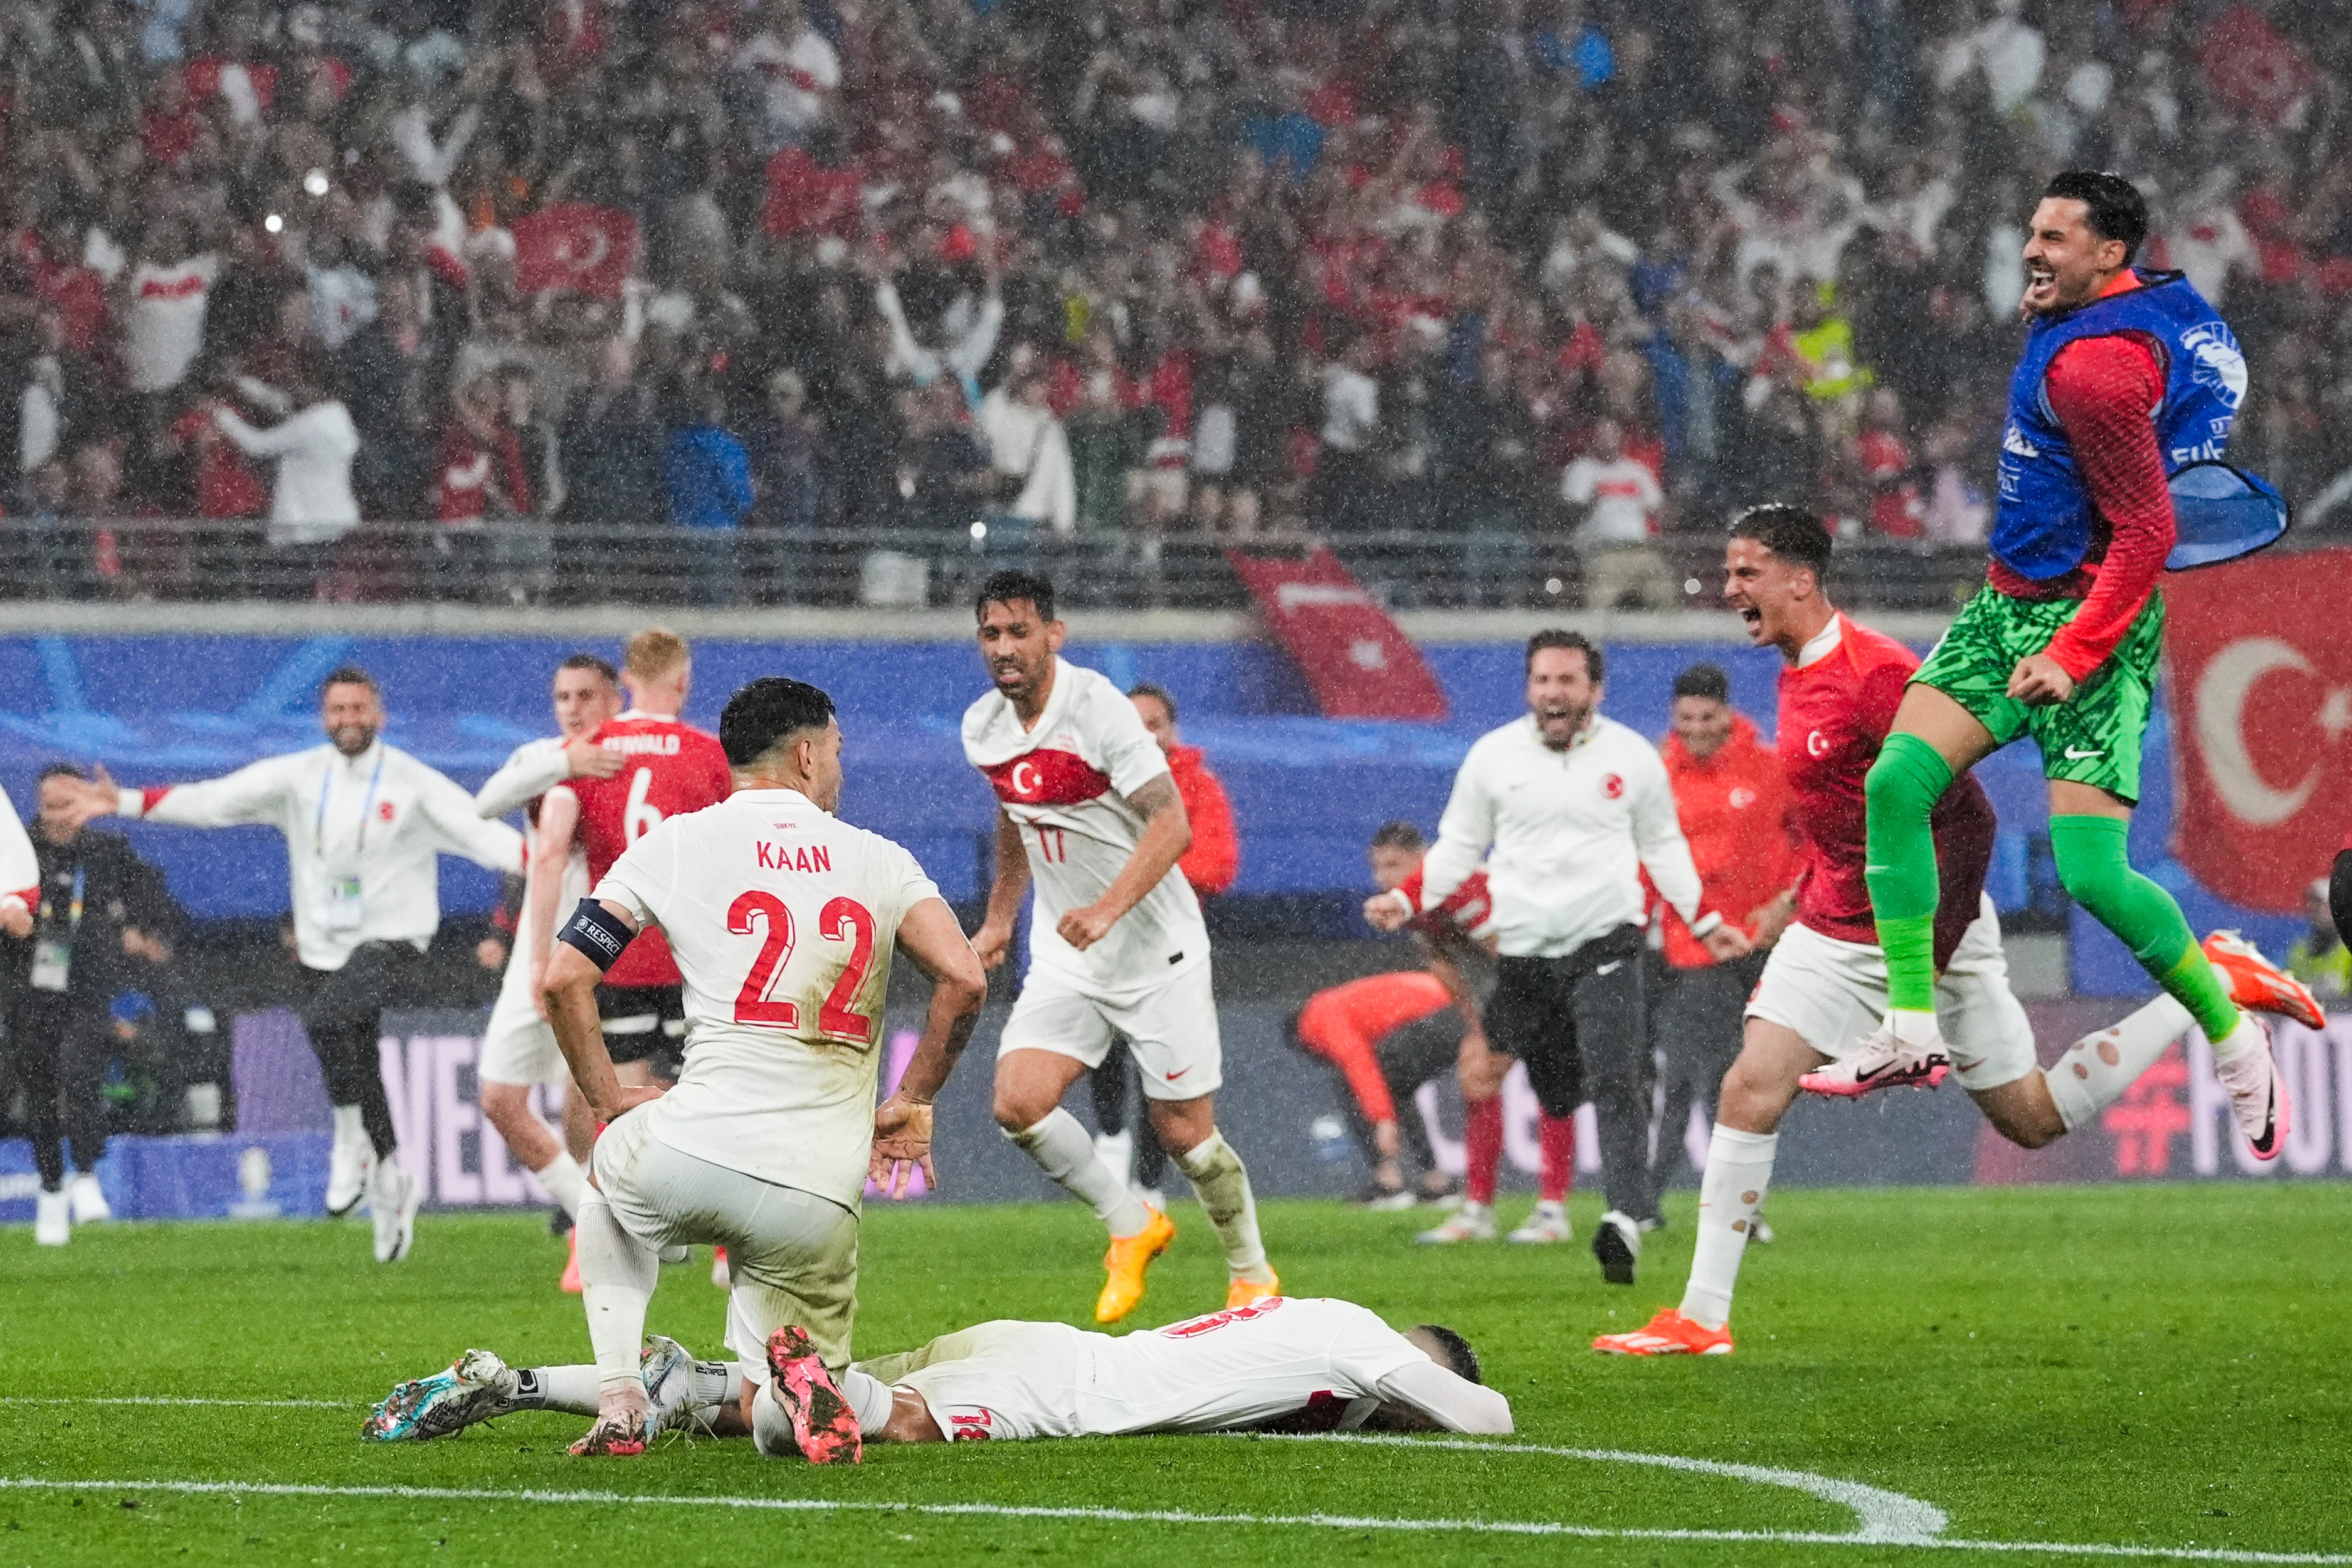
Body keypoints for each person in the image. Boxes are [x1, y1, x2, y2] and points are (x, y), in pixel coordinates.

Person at [1595, 508, 2320, 1357]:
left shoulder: (1876, 675)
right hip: (1834, 924)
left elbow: (1966, 820)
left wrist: (1927, 955)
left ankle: (2206, 981)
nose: (1728, 591)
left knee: (2030, 1118)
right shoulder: (1795, 669)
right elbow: (1839, 818)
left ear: (1799, 579)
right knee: (1749, 1087)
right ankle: (1701, 1317)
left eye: (1743, 573)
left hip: (1928, 928)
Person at [1844, 172, 2289, 1160]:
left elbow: (2145, 531)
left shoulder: (2096, 372)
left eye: (2055, 238)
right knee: (1894, 782)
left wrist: (2070, 652)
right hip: (2007, 603)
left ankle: (2228, 1030)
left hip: (2087, 622)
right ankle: (1910, 1026)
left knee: (2092, 877)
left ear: (2106, 254)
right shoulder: (2148, 304)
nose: (2032, 251)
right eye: (2031, 231)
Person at [536, 675, 988, 1459]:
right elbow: (966, 978)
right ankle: (797, 1387)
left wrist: (609, 1098)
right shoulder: (880, 860)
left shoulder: (675, 844)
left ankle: (620, 1398)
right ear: (808, 754)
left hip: (696, 1150)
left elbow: (564, 976)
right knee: (775, 1426)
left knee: (607, 1171)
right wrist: (912, 1098)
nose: (840, 769)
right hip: (817, 1189)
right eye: (839, 752)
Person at [48, 668, 524, 1262]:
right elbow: (217, 799)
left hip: (393, 939)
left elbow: (493, 841)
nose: (347, 719)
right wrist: (120, 800)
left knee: (328, 1023)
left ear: (379, 714)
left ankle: (350, 1141)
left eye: (358, 708)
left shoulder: (413, 783)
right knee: (354, 1056)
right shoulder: (300, 777)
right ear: (324, 716)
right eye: (336, 709)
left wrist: (558, 857)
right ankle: (394, 1177)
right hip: (322, 944)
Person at [1369, 631, 1748, 1286]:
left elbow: (1662, 847)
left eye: (1568, 680)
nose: (1554, 691)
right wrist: (1406, 899)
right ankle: (1519, 1203)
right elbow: (1458, 847)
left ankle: (1623, 1216)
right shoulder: (1493, 757)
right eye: (1543, 680)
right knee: (1548, 1084)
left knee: (1617, 1079)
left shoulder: (1631, 757)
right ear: (1529, 688)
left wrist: (1705, 921)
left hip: (1606, 942)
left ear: (1593, 691)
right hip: (1523, 956)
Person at [964, 571, 1279, 1324]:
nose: (1005, 648)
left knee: (1185, 1137)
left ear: (1053, 634)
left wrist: (1106, 908)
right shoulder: (983, 725)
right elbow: (1014, 816)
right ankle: (1132, 1224)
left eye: (1019, 631)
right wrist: (1002, 915)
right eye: (991, 634)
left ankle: (1252, 1273)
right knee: (1018, 1101)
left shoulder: (1097, 707)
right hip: (1069, 955)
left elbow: (1172, 824)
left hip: (1155, 951)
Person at [366, 1295, 1510, 1456]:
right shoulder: (1365, 1340)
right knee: (890, 1428)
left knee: (754, 1413)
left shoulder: (1305, 1325)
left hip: (1049, 1345)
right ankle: (741, 1373)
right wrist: (1426, 1393)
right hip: (1065, 1393)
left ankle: (515, 1380)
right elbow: (1487, 1416)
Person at [524, 631, 732, 1102]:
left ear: (627, 679)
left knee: (623, 1102)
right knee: (698, 1103)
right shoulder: (709, 755)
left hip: (615, 950)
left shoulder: (592, 748)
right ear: (682, 680)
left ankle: (620, 1174)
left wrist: (541, 957)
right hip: (689, 955)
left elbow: (550, 852)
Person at [470, 654, 626, 1278]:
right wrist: (566, 759)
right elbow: (485, 803)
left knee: (592, 1102)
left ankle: (622, 1230)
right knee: (500, 1098)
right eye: (563, 695)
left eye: (586, 694)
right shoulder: (543, 758)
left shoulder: (629, 758)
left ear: (613, 699)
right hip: (537, 951)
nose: (573, 706)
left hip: (606, 946)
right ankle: (589, 1216)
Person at [1359, 821, 1577, 1243]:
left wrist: (1526, 1017)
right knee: (1478, 1076)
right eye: (1377, 867)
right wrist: (1477, 1023)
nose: (1384, 877)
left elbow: (1511, 953)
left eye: (1394, 864)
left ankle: (1549, 1211)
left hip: (1548, 967)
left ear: (1422, 860)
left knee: (1544, 1080)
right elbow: (1446, 967)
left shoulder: (1460, 887)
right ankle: (1482, 1210)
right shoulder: (1410, 906)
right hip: (1509, 981)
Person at [6, 764, 182, 1245]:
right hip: (25, 983)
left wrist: (143, 930)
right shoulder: (17, 848)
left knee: (80, 1071)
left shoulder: (107, 852)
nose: (59, 814)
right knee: (39, 1084)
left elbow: (155, 897)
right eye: (50, 804)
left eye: (68, 803)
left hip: (87, 983)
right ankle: (49, 1186)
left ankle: (85, 1171)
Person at [1085, 681, 1240, 1213]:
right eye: (1136, 723)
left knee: (1164, 1073)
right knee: (1102, 1042)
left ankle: (1148, 1189)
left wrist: (1143, 876)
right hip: (1112, 939)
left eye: (1155, 722)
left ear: (1172, 730)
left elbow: (1219, 865)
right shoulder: (1099, 787)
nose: (1146, 733)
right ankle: (1110, 1141)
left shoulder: (1199, 786)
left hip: (1172, 948)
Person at [1650, 663, 1804, 1176]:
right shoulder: (1656, 775)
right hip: (1693, 946)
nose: (1695, 728)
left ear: (1727, 714)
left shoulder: (1768, 768)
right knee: (1702, 1071)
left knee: (1750, 1071)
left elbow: (1812, 841)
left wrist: (1788, 900)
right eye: (1685, 718)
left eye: (1706, 716)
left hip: (1763, 941)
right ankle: (1681, 1196)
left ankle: (1718, 1194)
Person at [2285, 878, 2349, 1006]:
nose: (2320, 912)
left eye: (2325, 905)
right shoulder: (2299, 951)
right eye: (2315, 905)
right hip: (2307, 1020)